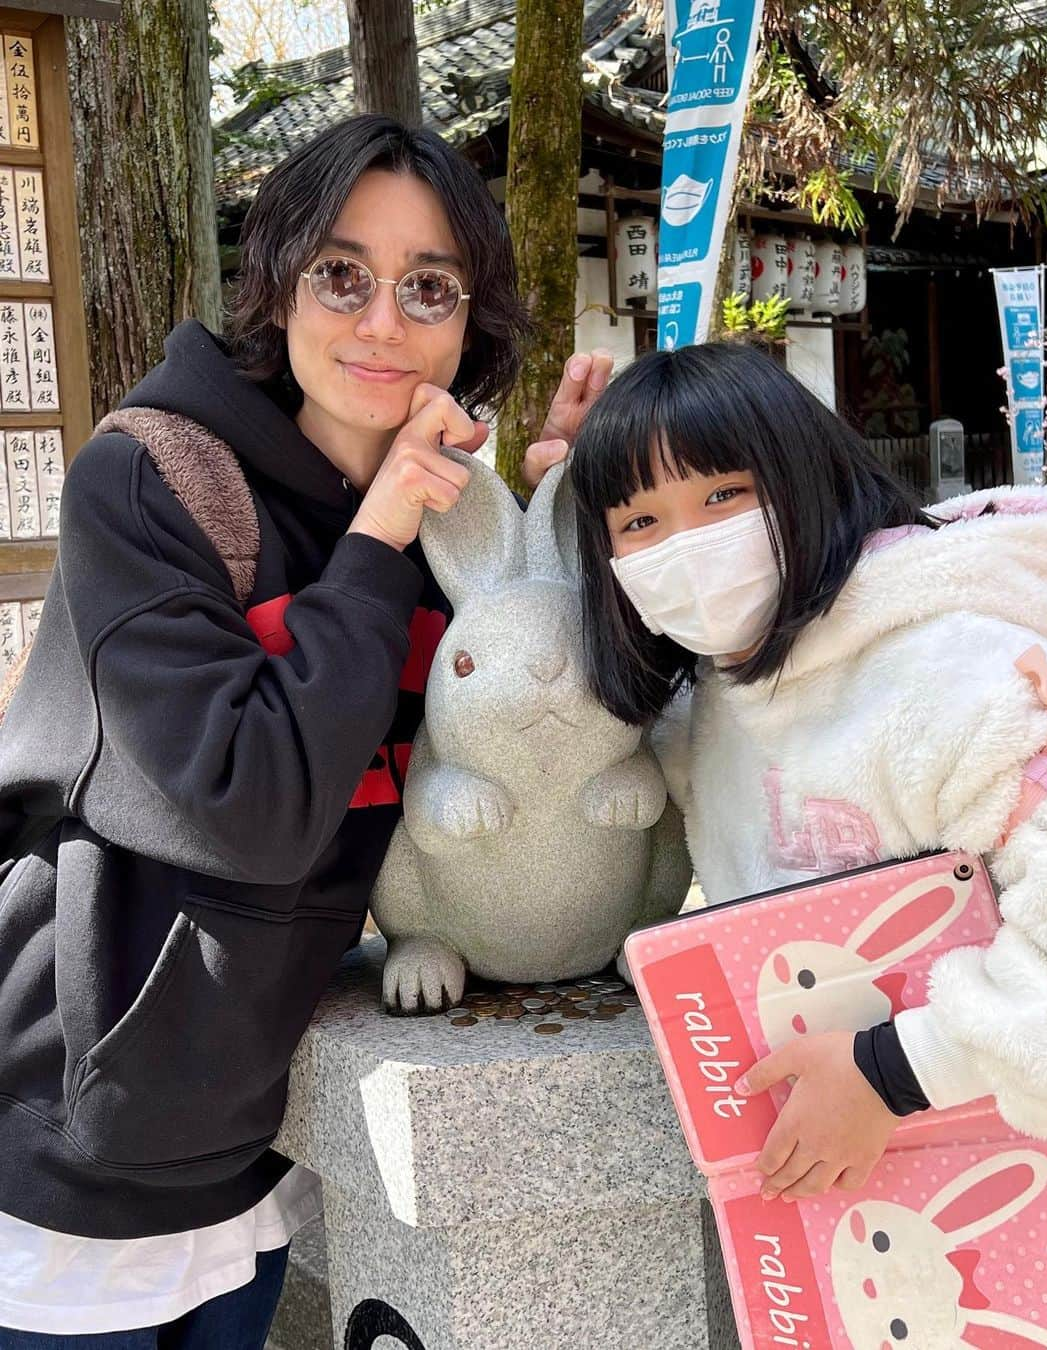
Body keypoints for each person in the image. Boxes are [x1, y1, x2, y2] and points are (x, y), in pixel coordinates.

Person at [0, 113, 612, 1345]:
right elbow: (253, 802)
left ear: (468, 322)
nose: (381, 321)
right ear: (278, 282)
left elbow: (533, 729)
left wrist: (569, 527)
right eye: (343, 274)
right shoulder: (152, 482)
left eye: (427, 287)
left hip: (257, 1150)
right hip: (66, 1145)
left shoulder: (441, 519)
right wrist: (378, 540)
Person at [569, 340, 1047, 1203]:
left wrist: (891, 1074)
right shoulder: (719, 701)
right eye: (641, 522)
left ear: (806, 475)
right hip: (873, 1215)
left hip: (1036, 1190)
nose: (687, 546)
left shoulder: (962, 675)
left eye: (724, 494)